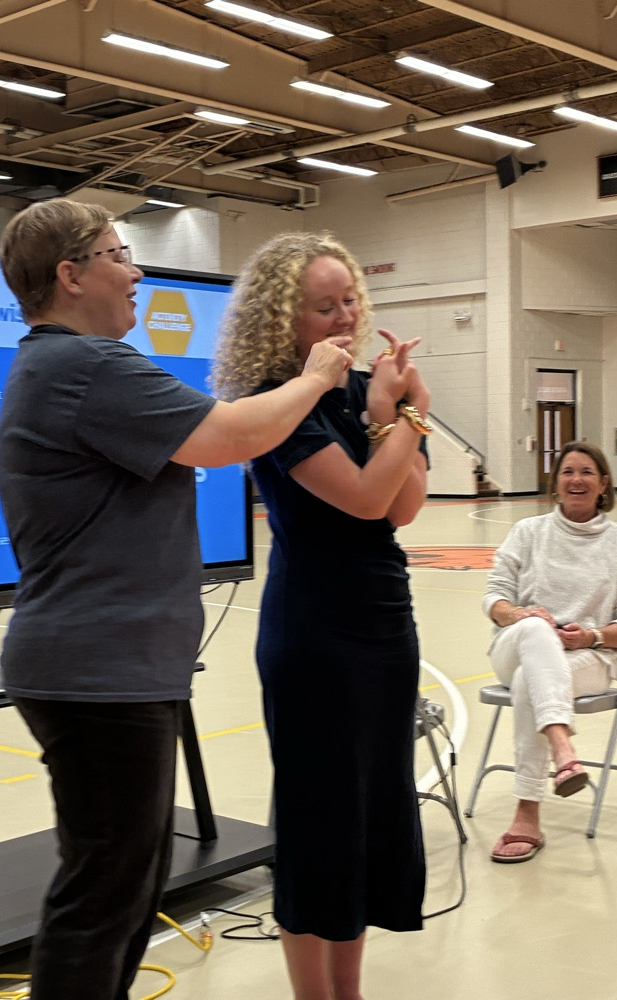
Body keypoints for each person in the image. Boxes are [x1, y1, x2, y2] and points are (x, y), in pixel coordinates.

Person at [0, 199, 352, 1000]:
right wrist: (316, 376)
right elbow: (228, 436)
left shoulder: (66, 365)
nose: (138, 271)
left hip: (114, 668)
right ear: (71, 274)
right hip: (96, 671)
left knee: (127, 881)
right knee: (105, 890)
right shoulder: (84, 365)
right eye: (120, 255)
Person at [212, 232, 429, 1000]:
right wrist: (407, 417)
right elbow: (366, 498)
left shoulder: (365, 386)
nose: (343, 318)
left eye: (349, 301)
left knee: (370, 814)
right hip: (316, 635)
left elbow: (401, 509)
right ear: (283, 318)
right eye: (323, 306)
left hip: (382, 622)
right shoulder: (277, 399)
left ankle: (350, 988)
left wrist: (385, 409)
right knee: (320, 820)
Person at [482, 441, 617, 863]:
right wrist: (517, 614)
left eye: (587, 472)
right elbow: (493, 599)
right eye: (568, 472)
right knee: (535, 630)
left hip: (588, 659)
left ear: (604, 483)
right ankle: (562, 748)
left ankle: (526, 813)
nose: (576, 480)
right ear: (556, 483)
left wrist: (592, 636)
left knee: (531, 683)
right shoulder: (528, 532)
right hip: (516, 645)